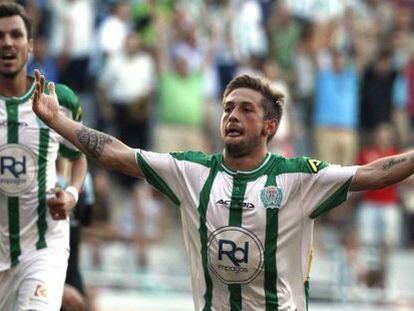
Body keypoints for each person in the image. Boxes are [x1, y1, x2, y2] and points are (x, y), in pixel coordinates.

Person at [33, 69, 414, 310]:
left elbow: (375, 173)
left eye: (246, 110)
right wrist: (56, 120)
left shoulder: (298, 178)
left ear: (270, 126)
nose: (233, 115)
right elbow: (118, 154)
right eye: (228, 108)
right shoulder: (191, 171)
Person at [0, 3, 87, 311]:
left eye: (16, 35)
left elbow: (77, 157)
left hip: (42, 248)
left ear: (31, 45)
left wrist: (72, 195)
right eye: (0, 36)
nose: (7, 42)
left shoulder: (57, 99)